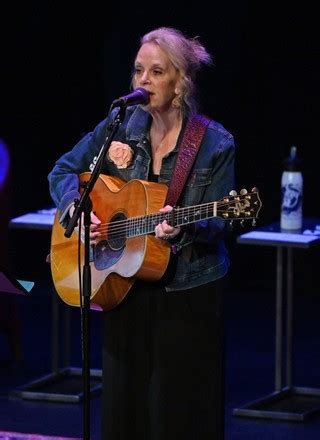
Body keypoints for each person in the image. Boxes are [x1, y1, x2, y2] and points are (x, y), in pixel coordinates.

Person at [48, 27, 235, 440]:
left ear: (180, 81)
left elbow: (222, 219)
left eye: (156, 71)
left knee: (175, 417)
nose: (143, 81)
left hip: (187, 294)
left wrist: (184, 227)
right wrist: (75, 212)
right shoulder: (120, 126)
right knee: (123, 415)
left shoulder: (213, 142)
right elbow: (63, 170)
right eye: (137, 71)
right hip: (123, 288)